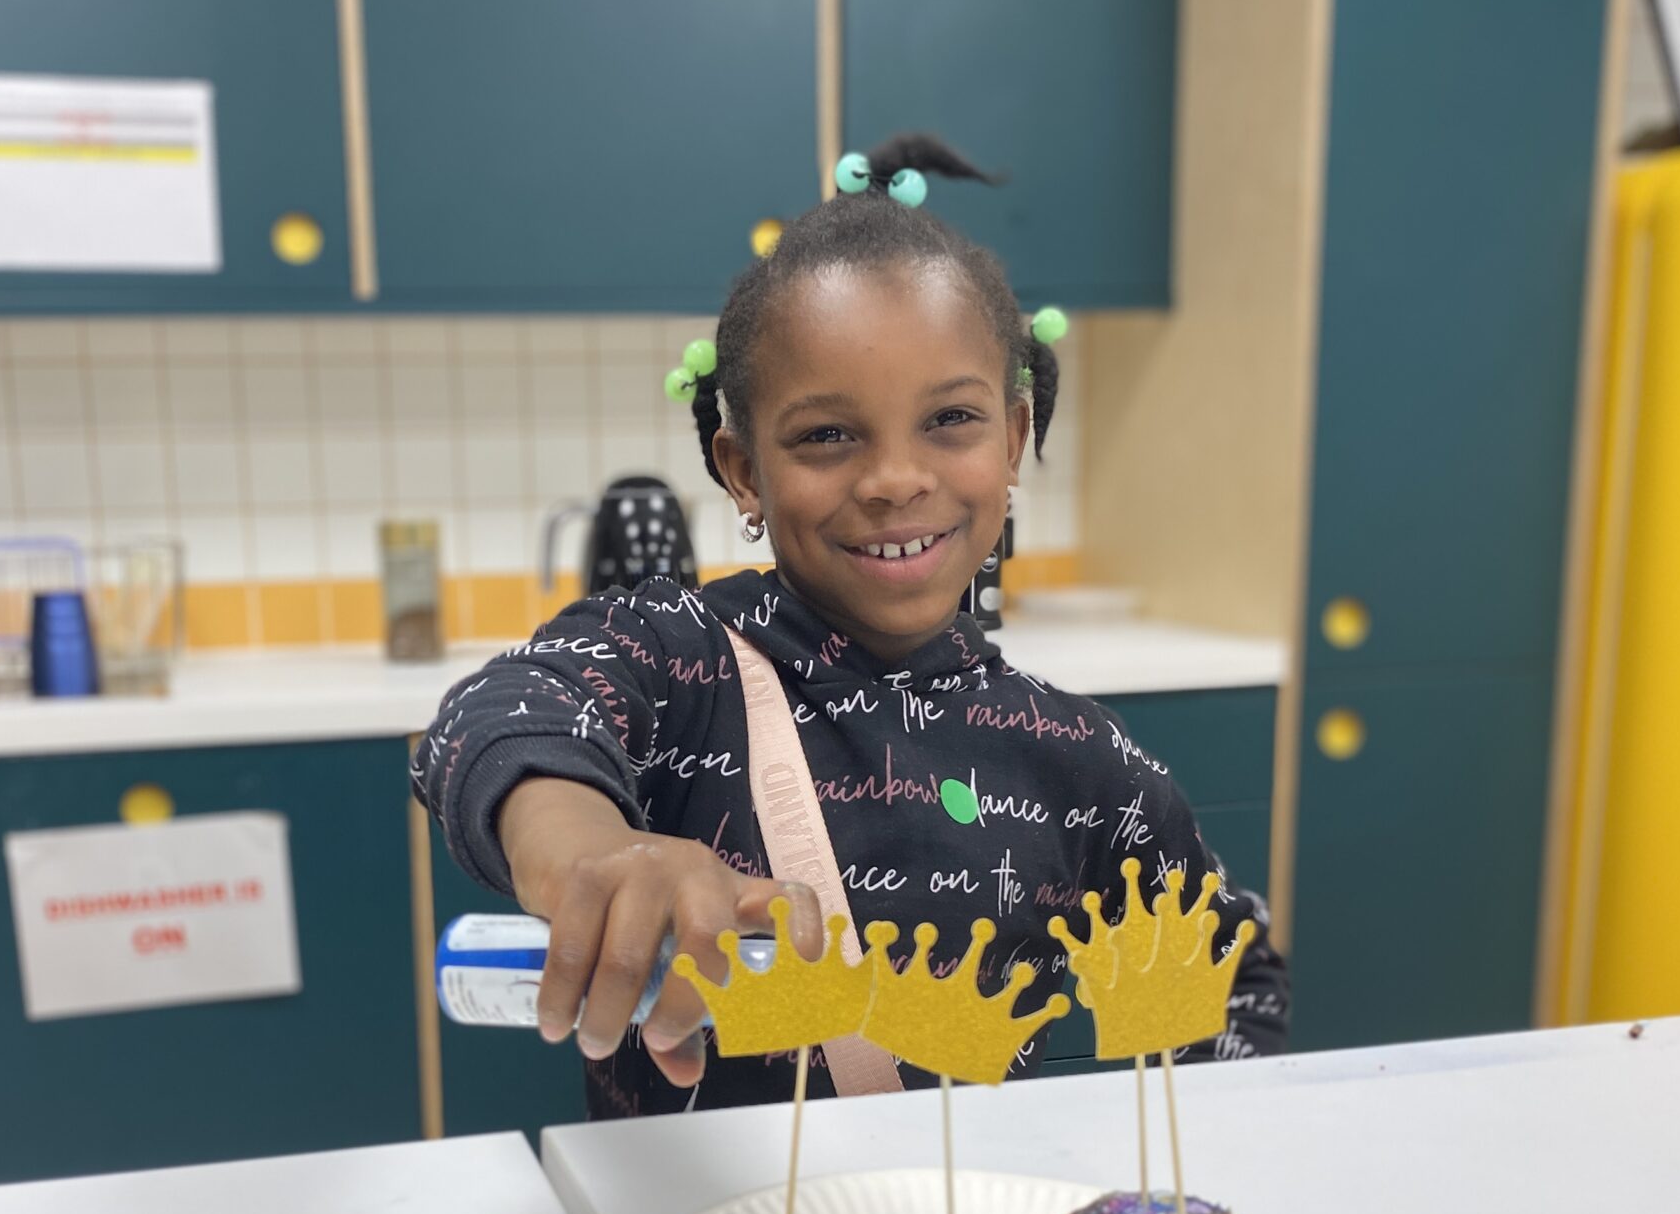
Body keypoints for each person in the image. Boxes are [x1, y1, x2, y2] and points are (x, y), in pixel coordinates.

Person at [415, 135, 1288, 1117]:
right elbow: (498, 713)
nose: (893, 480)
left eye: (950, 421)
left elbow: (1226, 982)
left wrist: (1179, 1159)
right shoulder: (675, 662)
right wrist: (587, 851)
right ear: (743, 468)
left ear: (1012, 437)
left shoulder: (1078, 763)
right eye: (827, 436)